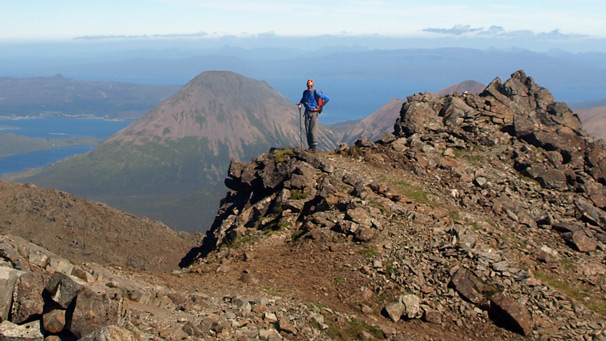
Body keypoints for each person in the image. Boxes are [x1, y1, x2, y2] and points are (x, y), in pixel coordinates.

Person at [297, 79, 329, 151]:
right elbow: (303, 99)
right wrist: (300, 104)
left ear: (313, 86)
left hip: (314, 113)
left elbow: (327, 98)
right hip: (307, 112)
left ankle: (314, 146)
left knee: (313, 130)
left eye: (310, 86)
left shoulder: (316, 93)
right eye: (308, 86)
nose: (309, 87)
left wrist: (320, 106)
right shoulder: (305, 92)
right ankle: (310, 146)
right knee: (307, 129)